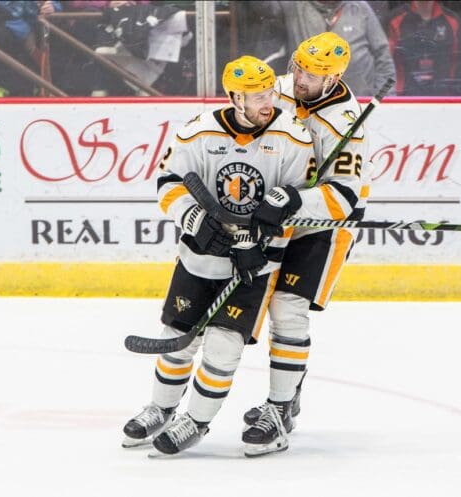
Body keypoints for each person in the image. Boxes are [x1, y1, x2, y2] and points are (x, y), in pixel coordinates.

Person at [121, 55, 316, 456]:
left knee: (224, 344)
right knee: (176, 339)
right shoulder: (199, 131)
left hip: (254, 263)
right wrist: (193, 218)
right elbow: (169, 183)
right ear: (234, 98)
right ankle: (161, 408)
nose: (267, 102)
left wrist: (257, 245)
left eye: (269, 93)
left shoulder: (293, 136)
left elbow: (293, 202)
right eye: (256, 96)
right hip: (199, 257)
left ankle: (196, 421)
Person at [242, 31, 371, 456]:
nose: (299, 79)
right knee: (256, 304)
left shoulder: (345, 121)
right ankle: (289, 391)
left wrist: (294, 199)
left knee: (288, 309)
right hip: (275, 218)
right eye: (298, 68)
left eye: (312, 76)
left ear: (333, 79)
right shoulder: (277, 89)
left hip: (323, 224)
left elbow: (345, 196)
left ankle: (279, 408)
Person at [246, 1, 395, 97]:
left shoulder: (359, 7)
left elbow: (383, 56)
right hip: (309, 105)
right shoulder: (294, 5)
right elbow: (263, 6)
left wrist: (383, 99)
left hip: (360, 104)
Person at [387, 0, 461, 96]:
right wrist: (382, 99)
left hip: (442, 98)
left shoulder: (452, 20)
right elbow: (386, 65)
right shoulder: (395, 20)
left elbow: (457, 63)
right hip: (405, 98)